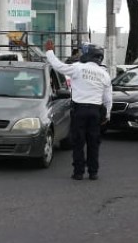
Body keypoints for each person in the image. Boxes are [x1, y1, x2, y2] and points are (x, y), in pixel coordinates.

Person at [44, 39, 112, 180]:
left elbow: (58, 66)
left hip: (79, 110)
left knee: (78, 142)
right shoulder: (104, 74)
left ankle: (78, 172)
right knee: (93, 143)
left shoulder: (78, 68)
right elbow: (108, 99)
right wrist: (107, 115)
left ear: (88, 55)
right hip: (95, 111)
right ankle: (93, 172)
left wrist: (50, 52)